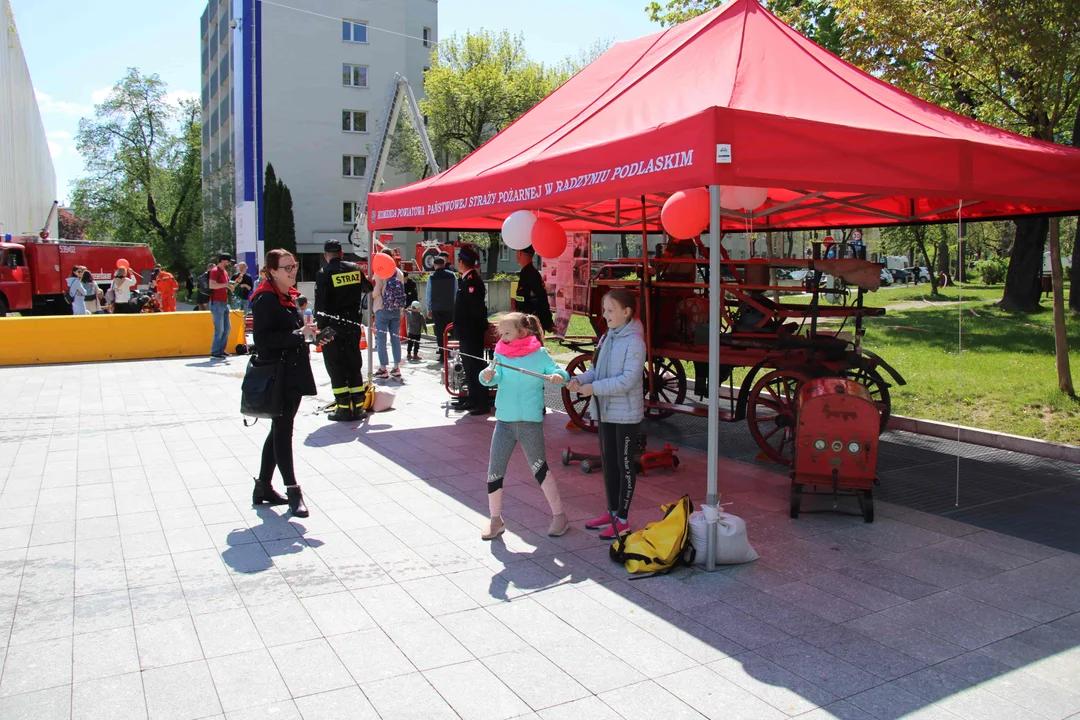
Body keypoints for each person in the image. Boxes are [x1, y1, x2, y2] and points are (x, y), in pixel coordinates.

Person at [478, 312, 570, 540]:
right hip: (504, 423)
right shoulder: (500, 352)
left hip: (530, 423)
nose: (503, 336)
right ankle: (495, 519)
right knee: (494, 470)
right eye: (501, 333)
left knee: (540, 469)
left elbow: (558, 372)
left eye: (507, 332)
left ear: (523, 332)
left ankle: (560, 516)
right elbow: (492, 376)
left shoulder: (538, 354)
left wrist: (559, 376)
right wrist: (486, 375)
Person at [250, 249, 323, 518]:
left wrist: (311, 336)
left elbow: (290, 334)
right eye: (287, 267)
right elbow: (263, 340)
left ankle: (263, 487)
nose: (293, 271)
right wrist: (297, 335)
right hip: (278, 374)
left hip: (291, 371)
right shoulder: (266, 298)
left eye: (294, 266)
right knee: (283, 430)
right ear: (272, 271)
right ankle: (293, 490)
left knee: (279, 429)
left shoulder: (285, 296)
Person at [567, 289, 646, 539]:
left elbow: (627, 381)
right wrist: (578, 380)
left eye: (610, 310)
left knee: (624, 465)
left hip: (626, 415)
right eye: (604, 310)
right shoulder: (607, 337)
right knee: (609, 464)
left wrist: (594, 389)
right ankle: (611, 512)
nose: (605, 315)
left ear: (627, 312)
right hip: (607, 412)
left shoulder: (635, 340)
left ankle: (622, 519)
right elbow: (595, 370)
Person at [314, 239, 371, 419]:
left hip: (332, 327)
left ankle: (344, 408)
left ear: (326, 255)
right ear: (341, 253)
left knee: (336, 366)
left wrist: (320, 329)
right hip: (353, 325)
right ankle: (359, 407)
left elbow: (321, 304)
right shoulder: (355, 268)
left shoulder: (324, 273)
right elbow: (368, 287)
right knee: (353, 364)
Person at [452, 245, 490, 415]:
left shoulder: (472, 281)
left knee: (475, 366)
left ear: (461, 262)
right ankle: (472, 398)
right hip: (467, 332)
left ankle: (481, 402)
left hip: (471, 332)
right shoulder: (467, 280)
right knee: (469, 366)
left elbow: (475, 310)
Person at [371, 249, 406, 379]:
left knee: (381, 340)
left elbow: (375, 292)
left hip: (382, 308)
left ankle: (383, 368)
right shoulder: (399, 272)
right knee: (395, 338)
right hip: (396, 309)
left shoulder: (379, 273)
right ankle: (396, 367)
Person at [514, 246, 554, 332]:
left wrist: (547, 322)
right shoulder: (527, 273)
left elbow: (541, 299)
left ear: (519, 253)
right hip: (526, 323)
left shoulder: (531, 275)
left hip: (531, 326)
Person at [426, 255, 457, 362]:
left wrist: (428, 309)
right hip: (449, 307)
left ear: (435, 265)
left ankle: (442, 353)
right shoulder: (452, 275)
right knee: (451, 329)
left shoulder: (431, 277)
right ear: (444, 264)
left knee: (440, 332)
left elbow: (428, 294)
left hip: (437, 308)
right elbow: (455, 292)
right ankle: (452, 350)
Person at [208, 253, 236, 359]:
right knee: (219, 329)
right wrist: (226, 285)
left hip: (224, 303)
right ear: (223, 260)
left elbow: (228, 285)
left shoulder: (224, 272)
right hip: (216, 303)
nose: (229, 263)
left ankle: (221, 350)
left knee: (227, 328)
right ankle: (214, 352)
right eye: (228, 261)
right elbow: (212, 285)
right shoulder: (215, 271)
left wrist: (234, 284)